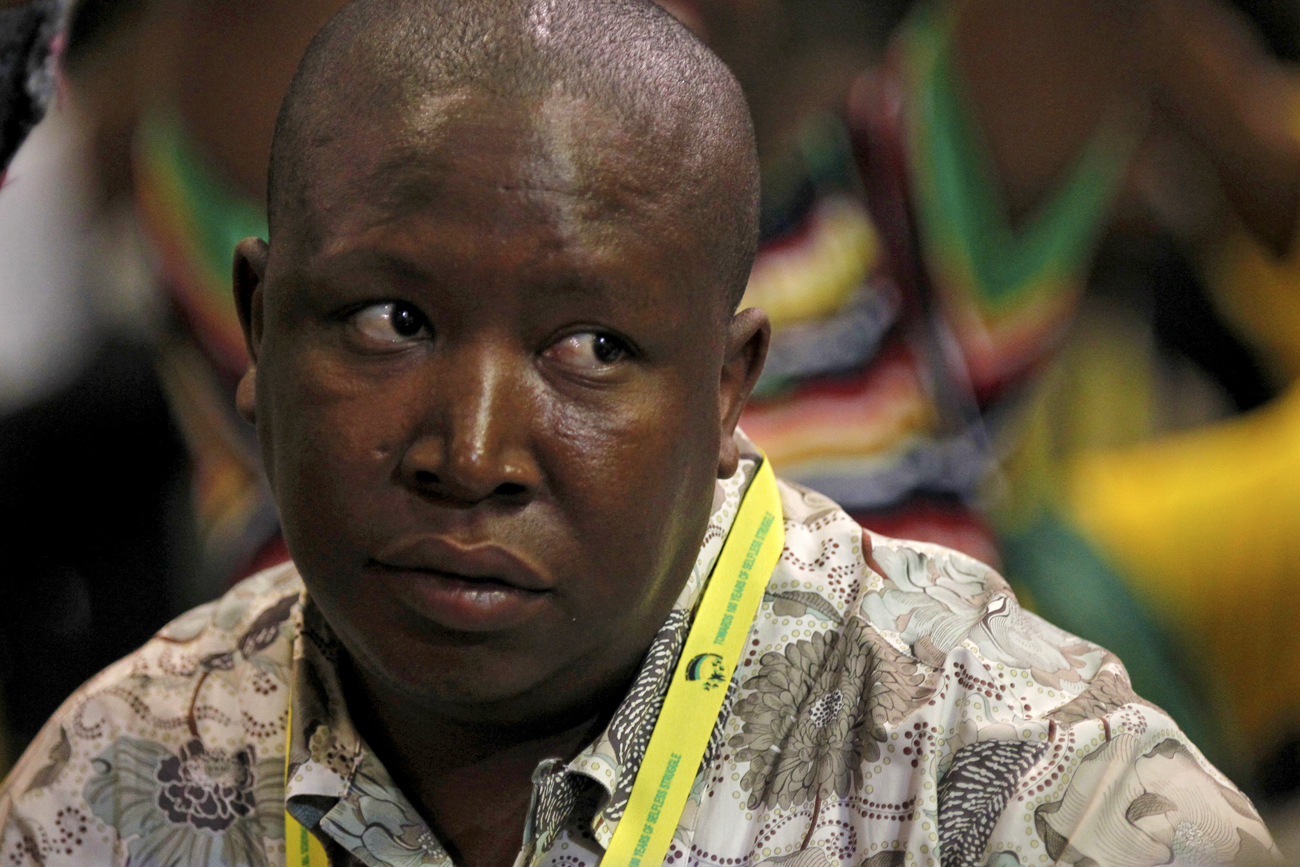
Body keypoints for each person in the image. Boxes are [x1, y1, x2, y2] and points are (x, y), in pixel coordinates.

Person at [0, 1, 1279, 865]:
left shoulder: (1013, 788)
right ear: (259, 335)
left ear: (730, 389)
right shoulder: (117, 780)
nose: (473, 454)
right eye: (397, 322)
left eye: (595, 349)